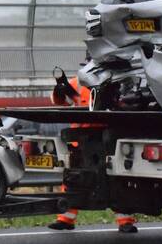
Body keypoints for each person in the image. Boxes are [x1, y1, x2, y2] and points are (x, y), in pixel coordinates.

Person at [47, 67, 138, 234]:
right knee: (74, 180)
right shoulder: (76, 83)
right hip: (81, 141)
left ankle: (125, 221)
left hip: (107, 138)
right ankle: (65, 219)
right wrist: (59, 91)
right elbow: (61, 102)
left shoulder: (118, 79)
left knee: (115, 179)